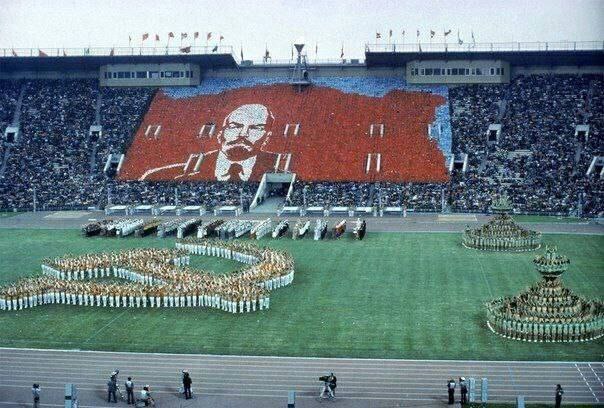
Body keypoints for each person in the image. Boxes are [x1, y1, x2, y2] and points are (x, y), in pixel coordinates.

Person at [139, 103, 279, 181]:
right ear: (220, 133)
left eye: (256, 128)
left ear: (267, 137)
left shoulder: (280, 172)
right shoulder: (160, 176)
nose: (243, 134)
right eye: (235, 126)